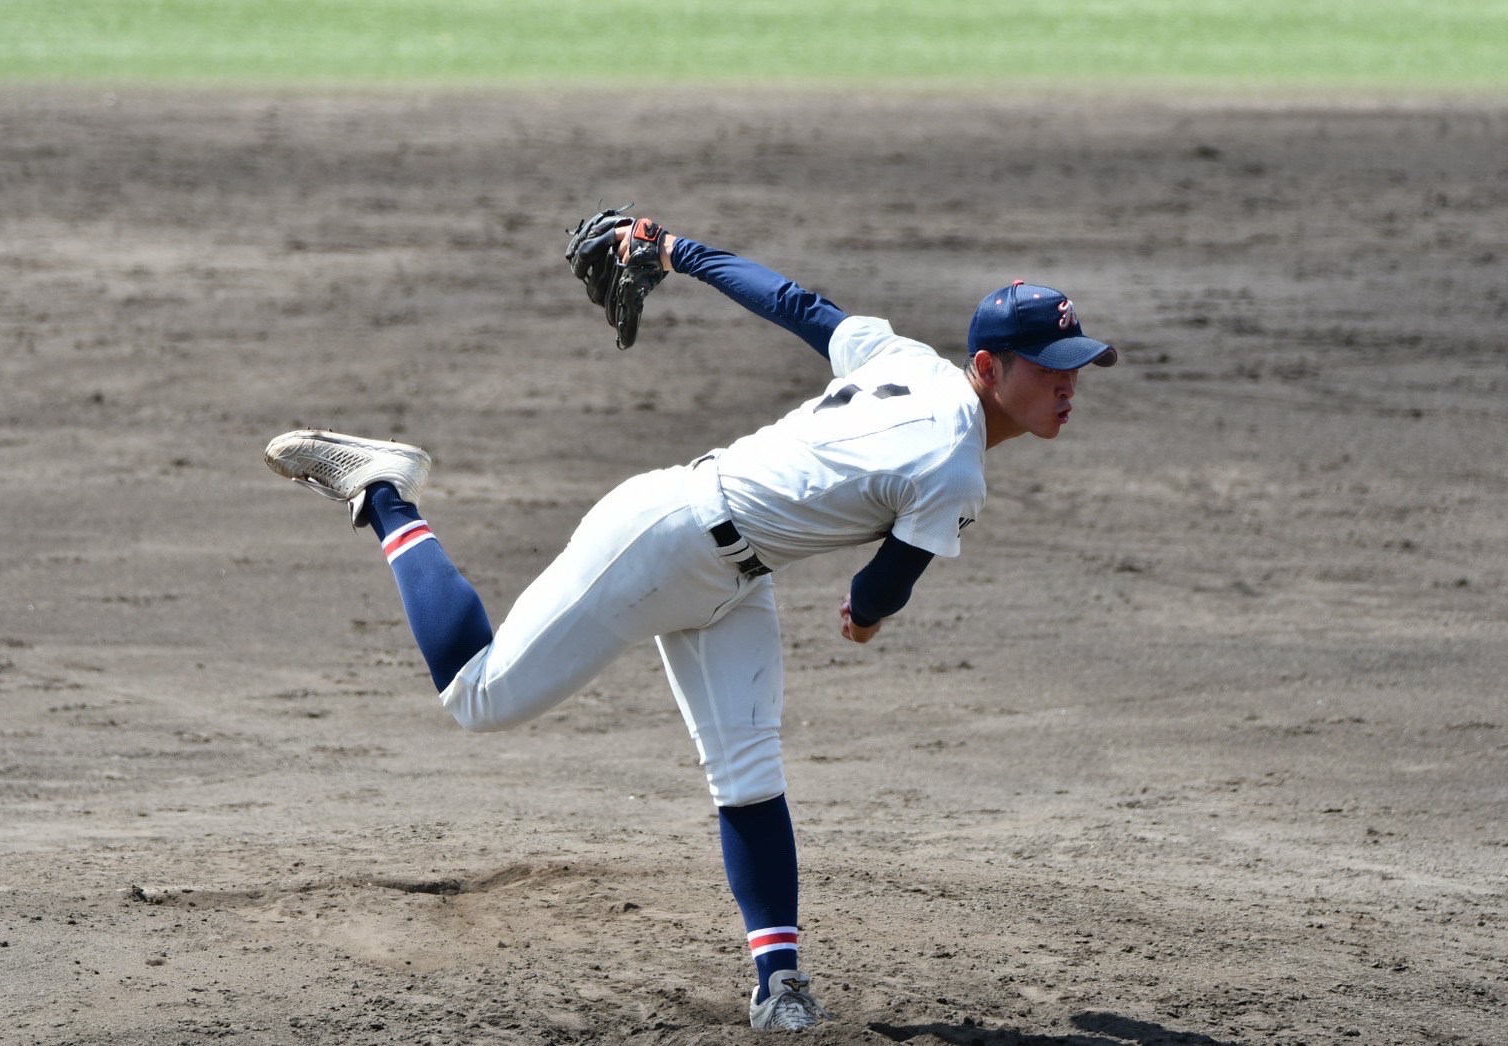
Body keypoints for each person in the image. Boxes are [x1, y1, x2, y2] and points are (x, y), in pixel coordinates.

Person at [263, 218, 1116, 1032]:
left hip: (733, 577)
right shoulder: (953, 467)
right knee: (478, 698)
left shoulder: (910, 361)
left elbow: (798, 305)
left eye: (1076, 367)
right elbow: (876, 592)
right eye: (1050, 369)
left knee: (749, 774)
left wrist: (676, 249)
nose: (1068, 386)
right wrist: (863, 622)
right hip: (658, 542)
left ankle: (780, 985)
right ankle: (385, 490)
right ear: (987, 366)